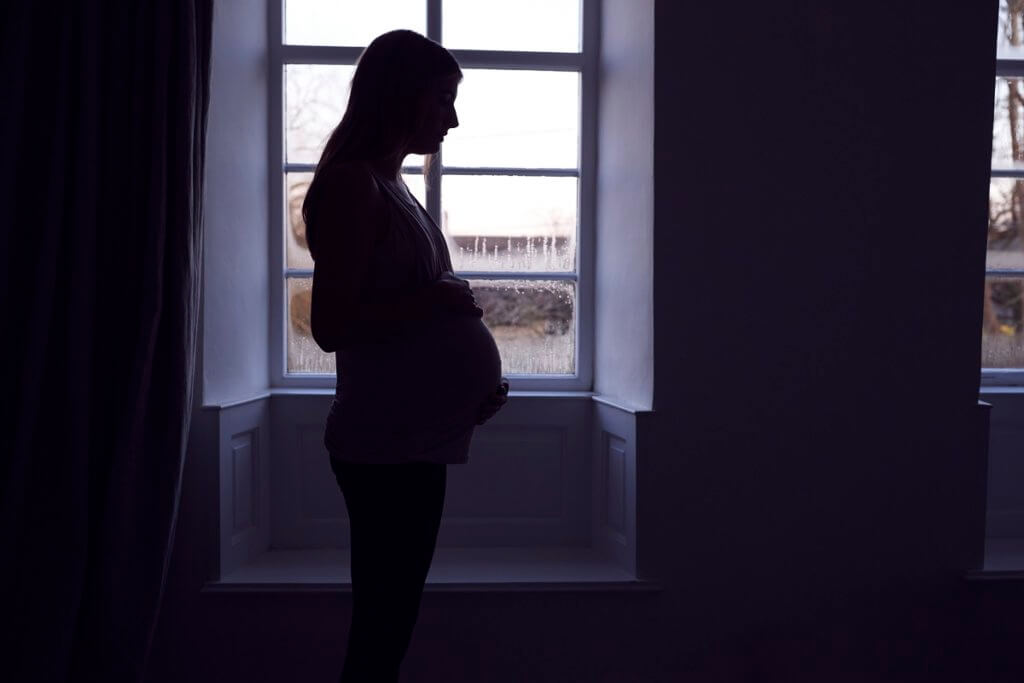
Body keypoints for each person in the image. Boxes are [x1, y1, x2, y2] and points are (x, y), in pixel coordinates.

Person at [301, 29, 510, 683]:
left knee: (392, 623)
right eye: (443, 98)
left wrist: (467, 393)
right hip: (382, 451)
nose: (452, 117)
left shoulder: (391, 184)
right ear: (402, 96)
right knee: (381, 630)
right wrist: (438, 304)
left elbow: (406, 322)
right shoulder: (351, 187)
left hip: (412, 444)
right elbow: (333, 325)